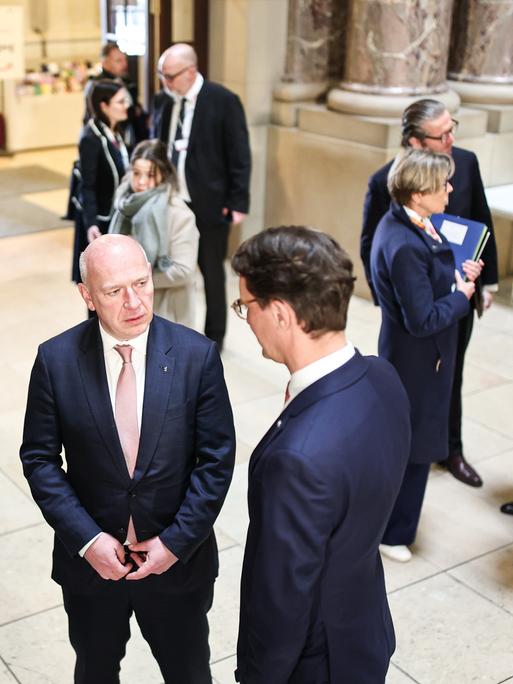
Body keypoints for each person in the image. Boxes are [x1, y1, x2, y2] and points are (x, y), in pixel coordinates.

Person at [20, 234, 235, 684]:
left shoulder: (196, 356)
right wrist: (87, 540)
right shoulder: (56, 361)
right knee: (95, 672)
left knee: (190, 673)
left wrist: (175, 543)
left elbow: (215, 460)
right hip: (92, 569)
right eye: (114, 291)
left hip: (178, 566)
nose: (134, 301)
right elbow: (40, 459)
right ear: (87, 295)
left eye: (141, 283)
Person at [232, 226, 411, 683]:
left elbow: (282, 601)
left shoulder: (297, 459)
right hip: (364, 630)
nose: (245, 319)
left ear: (280, 313)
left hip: (316, 665)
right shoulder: (383, 377)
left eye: (245, 306)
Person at [361, 98, 499, 489]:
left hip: (459, 293)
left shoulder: (466, 163)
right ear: (417, 142)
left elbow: (482, 220)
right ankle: (406, 462)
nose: (452, 138)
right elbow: (371, 241)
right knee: (413, 386)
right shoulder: (386, 179)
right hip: (417, 304)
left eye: (452, 127)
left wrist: (485, 283)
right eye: (443, 134)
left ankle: (449, 449)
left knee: (451, 375)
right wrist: (389, 300)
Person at [370, 148, 483, 563]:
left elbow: (424, 283)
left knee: (414, 444)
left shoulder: (411, 223)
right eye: (443, 184)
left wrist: (456, 277)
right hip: (416, 360)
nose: (450, 189)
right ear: (418, 193)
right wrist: (462, 296)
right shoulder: (402, 243)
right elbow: (422, 319)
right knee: (413, 450)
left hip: (419, 356)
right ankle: (393, 534)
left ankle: (393, 527)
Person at [153, 43, 251, 351]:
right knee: (174, 269)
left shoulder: (223, 101)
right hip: (172, 201)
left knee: (211, 273)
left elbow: (239, 155)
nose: (165, 83)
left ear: (191, 71)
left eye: (170, 76)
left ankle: (214, 338)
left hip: (209, 202)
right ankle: (174, 330)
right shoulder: (166, 102)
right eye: (162, 76)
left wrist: (238, 201)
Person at [109, 139, 199, 328]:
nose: (141, 182)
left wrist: (134, 284)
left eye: (150, 175)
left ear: (163, 174)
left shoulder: (179, 214)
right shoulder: (125, 203)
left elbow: (183, 271)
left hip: (167, 312)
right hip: (130, 308)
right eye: (136, 174)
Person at [72, 80, 130, 283]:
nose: (126, 106)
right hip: (100, 221)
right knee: (100, 282)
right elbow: (87, 186)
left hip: (115, 216)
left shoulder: (116, 131)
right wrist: (92, 224)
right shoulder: (91, 137)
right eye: (120, 102)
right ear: (104, 106)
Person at [83, 42, 148, 148]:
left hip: (131, 136)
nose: (125, 64)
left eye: (124, 59)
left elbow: (134, 107)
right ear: (105, 63)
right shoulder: (96, 85)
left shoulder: (126, 81)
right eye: (119, 61)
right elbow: (91, 116)